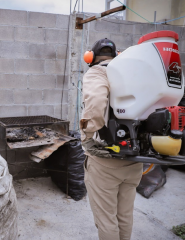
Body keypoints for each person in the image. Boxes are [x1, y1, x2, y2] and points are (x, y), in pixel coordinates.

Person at [80, 38, 143, 240]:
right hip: (134, 160)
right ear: (117, 56)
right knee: (124, 216)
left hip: (105, 162)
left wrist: (88, 135)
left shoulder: (97, 71)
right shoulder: (132, 74)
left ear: (90, 58)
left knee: (107, 220)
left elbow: (96, 102)